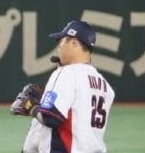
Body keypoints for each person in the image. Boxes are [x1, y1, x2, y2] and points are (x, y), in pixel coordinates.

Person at [16, 20, 115, 153]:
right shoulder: (105, 86)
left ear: (74, 43)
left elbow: (50, 118)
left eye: (62, 41)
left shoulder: (67, 73)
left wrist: (31, 107)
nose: (59, 46)